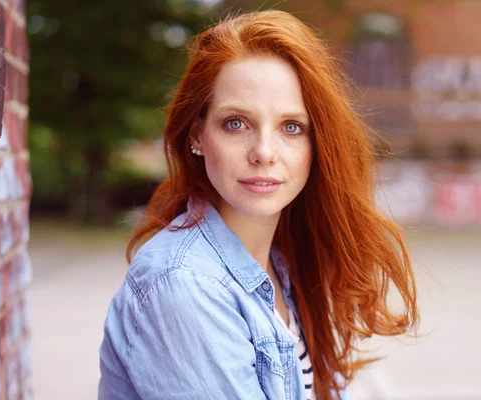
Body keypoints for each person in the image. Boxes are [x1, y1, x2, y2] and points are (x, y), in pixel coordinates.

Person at [98, 9, 419, 400]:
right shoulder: (185, 284)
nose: (264, 153)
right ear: (197, 134)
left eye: (291, 127)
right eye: (236, 123)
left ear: (317, 145)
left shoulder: (283, 265)